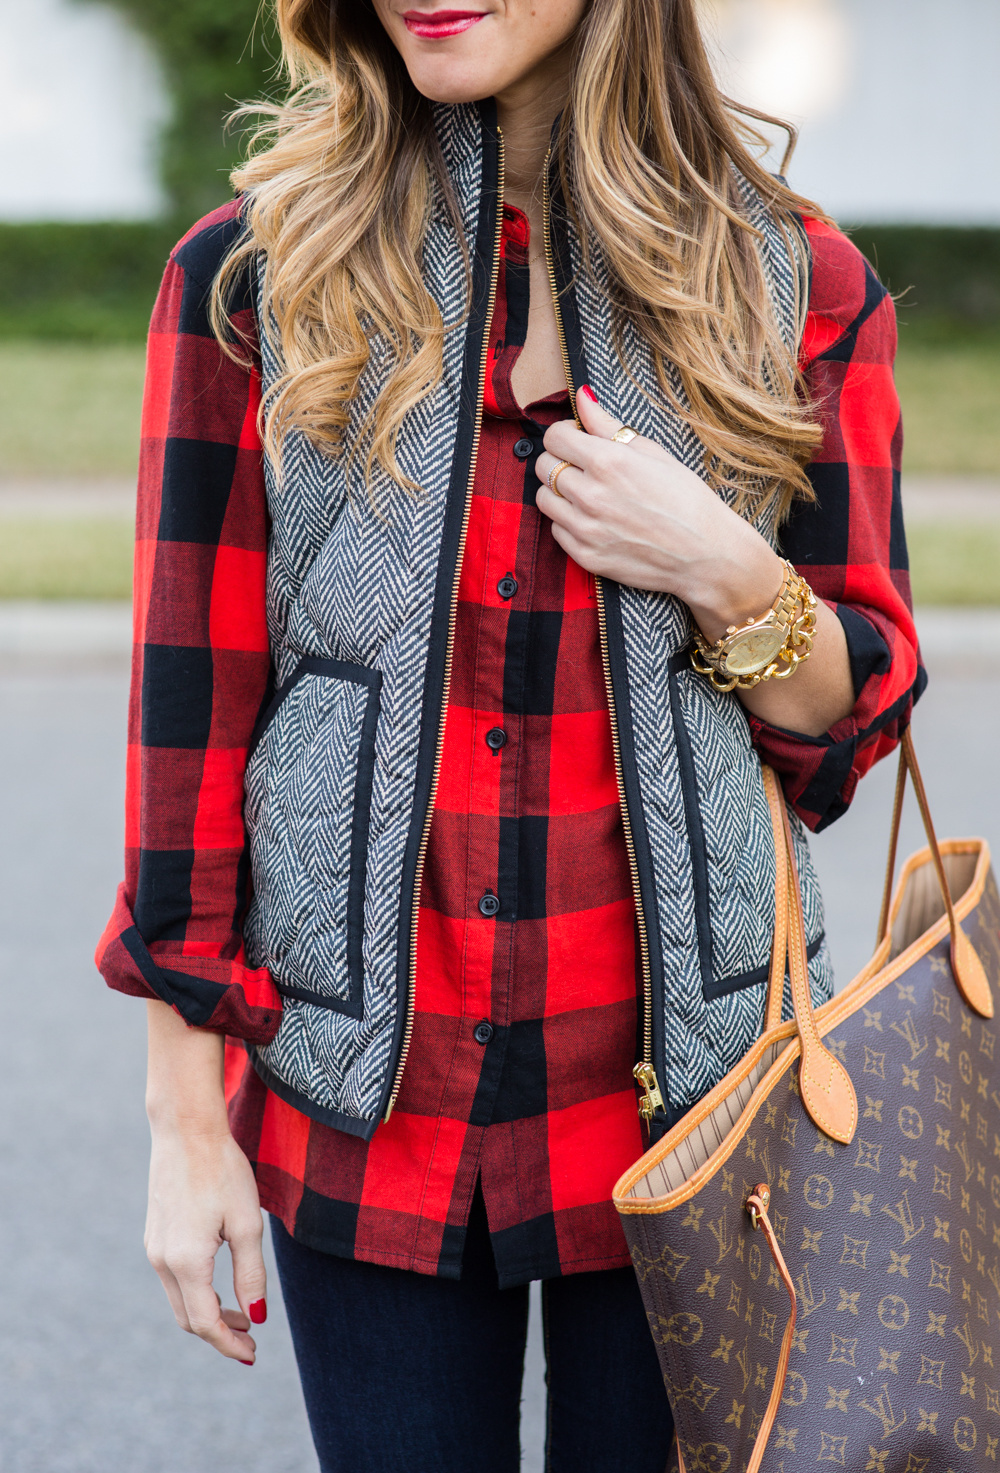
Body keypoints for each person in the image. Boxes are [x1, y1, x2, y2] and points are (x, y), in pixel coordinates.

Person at [96, 1, 925, 1468]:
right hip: (364, 1104)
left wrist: (725, 570)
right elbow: (188, 720)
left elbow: (846, 730)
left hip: (699, 1115)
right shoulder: (251, 279)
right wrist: (183, 1124)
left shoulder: (798, 281)